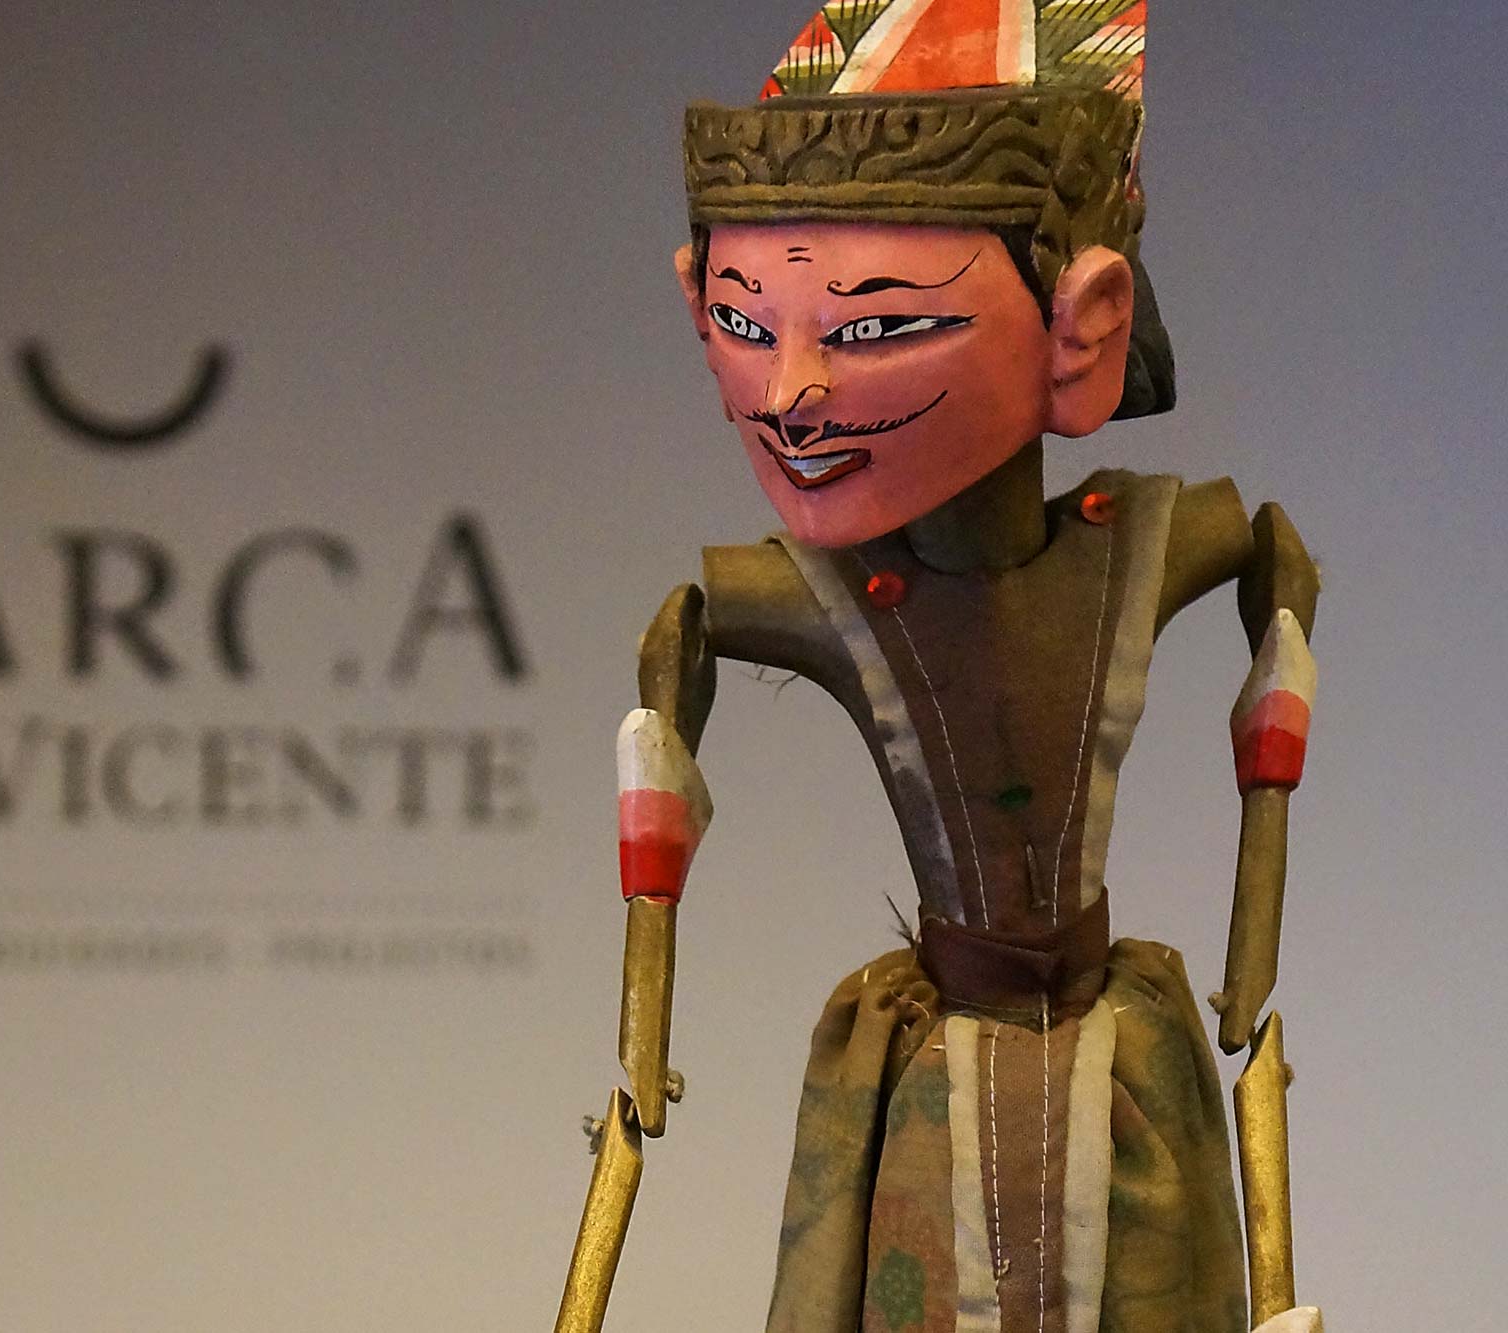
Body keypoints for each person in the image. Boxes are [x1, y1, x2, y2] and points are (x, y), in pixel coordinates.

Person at [558, 6, 1324, 1332]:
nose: (788, 393)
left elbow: (1275, 574)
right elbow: (672, 677)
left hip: (1119, 1088)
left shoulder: (1148, 546)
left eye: (870, 329)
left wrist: (1252, 987)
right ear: (695, 299)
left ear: (1082, 329)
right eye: (742, 321)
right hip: (929, 1107)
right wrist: (637, 1079)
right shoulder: (810, 599)